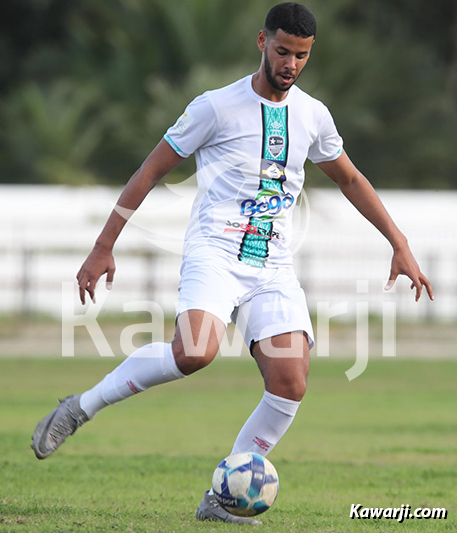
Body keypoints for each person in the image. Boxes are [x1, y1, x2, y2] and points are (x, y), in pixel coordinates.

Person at [31, 2, 434, 525]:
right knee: (195, 352)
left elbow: (351, 179)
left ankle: (224, 496)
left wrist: (398, 242)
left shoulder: (313, 115)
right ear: (261, 42)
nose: (291, 64)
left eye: (302, 55)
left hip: (272, 266)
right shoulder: (215, 107)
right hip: (214, 253)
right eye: (283, 50)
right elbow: (150, 171)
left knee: (291, 381)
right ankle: (80, 407)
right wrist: (104, 245)